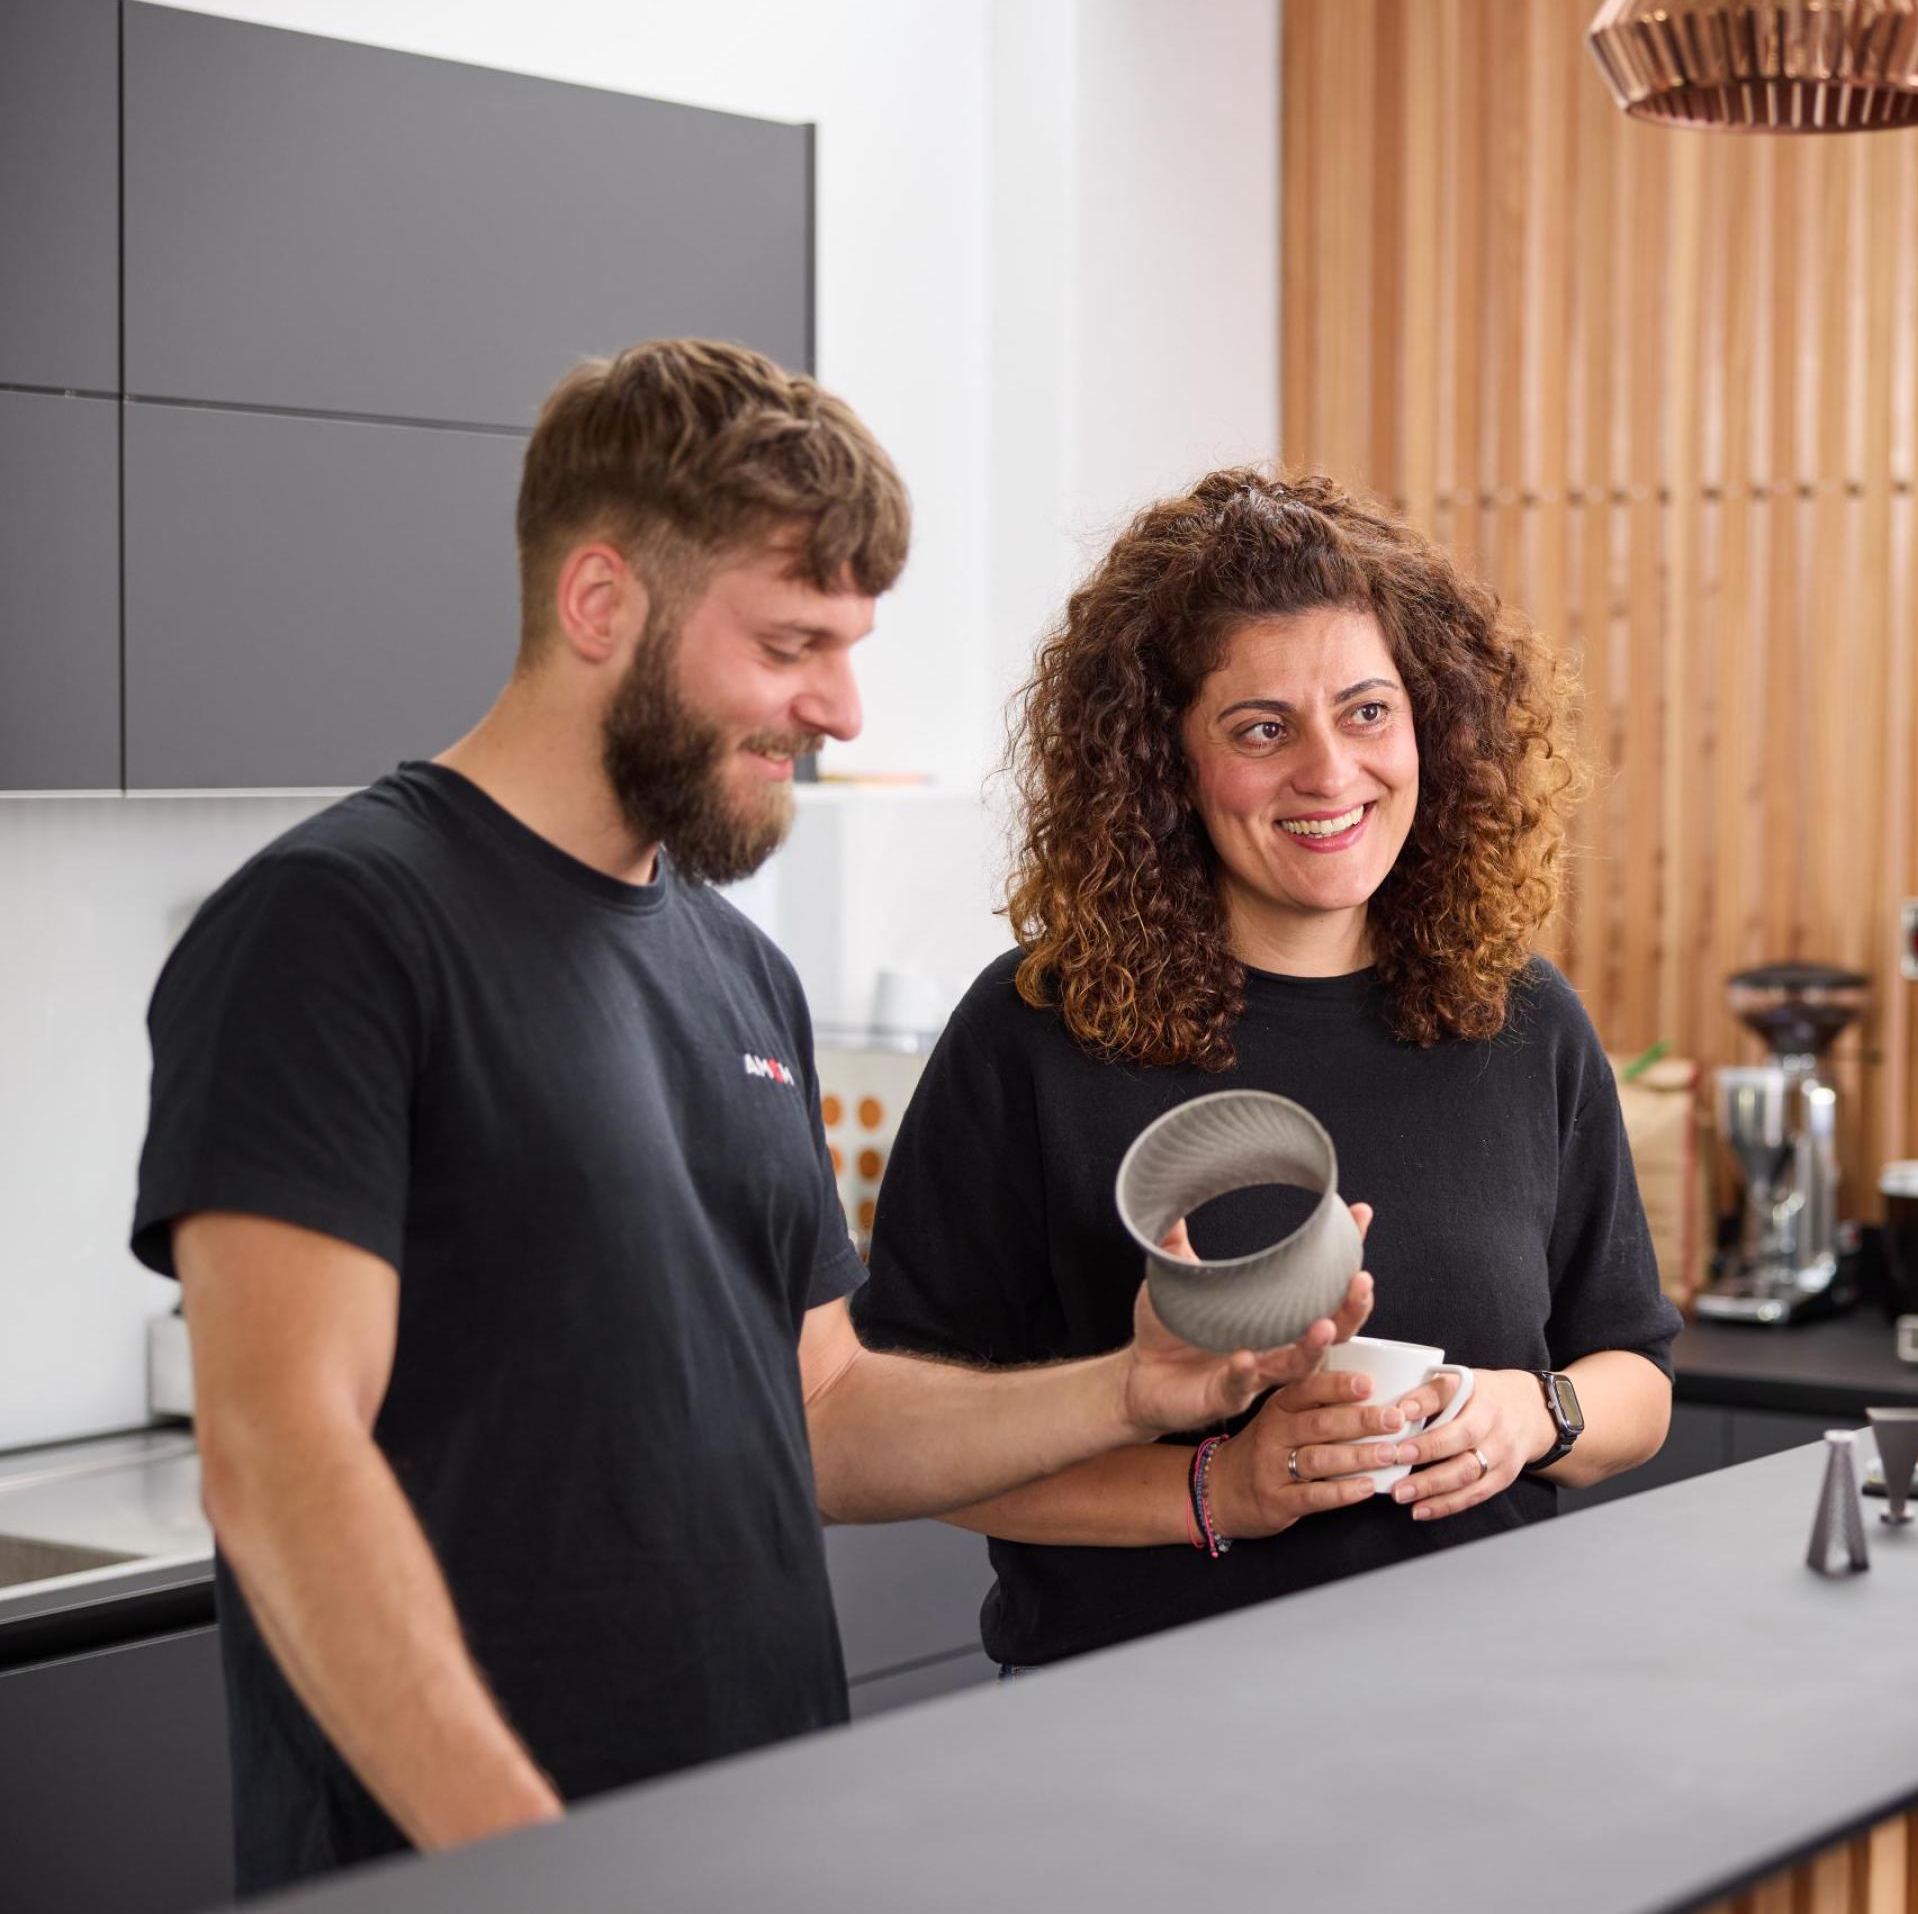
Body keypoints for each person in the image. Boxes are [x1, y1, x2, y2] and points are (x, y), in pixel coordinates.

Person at [131, 342, 1370, 1893]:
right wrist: (535, 1862)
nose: (840, 707)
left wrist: (1134, 1390)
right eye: (794, 643)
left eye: (850, 647)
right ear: (602, 603)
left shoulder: (736, 971)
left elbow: (826, 1411)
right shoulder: (337, 930)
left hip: (749, 1838)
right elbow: (279, 1453)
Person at [853, 468, 1680, 1671]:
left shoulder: (1522, 1018)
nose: (1330, 773)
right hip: (1135, 1726)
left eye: (1367, 712)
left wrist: (1533, 1414)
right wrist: (1217, 1488)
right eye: (1260, 729)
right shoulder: (1034, 1032)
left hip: (1483, 1709)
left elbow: (1636, 1378)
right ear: (1166, 763)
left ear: (1432, 726)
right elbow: (900, 1439)